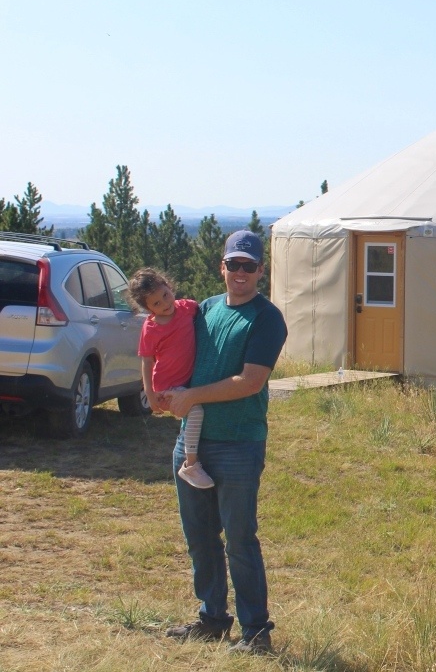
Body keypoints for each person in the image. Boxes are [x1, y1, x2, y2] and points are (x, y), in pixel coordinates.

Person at [162, 230, 288, 655]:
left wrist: (192, 396)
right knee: (199, 535)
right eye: (233, 264)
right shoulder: (207, 309)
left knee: (239, 539)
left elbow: (250, 382)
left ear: (261, 272)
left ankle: (256, 633)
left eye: (248, 266)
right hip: (192, 441)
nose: (240, 273)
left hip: (237, 443)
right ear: (222, 266)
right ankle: (212, 618)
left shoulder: (267, 319)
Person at [127, 268, 214, 489]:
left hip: (188, 382)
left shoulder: (187, 308)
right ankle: (190, 465)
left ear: (169, 286)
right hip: (167, 386)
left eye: (165, 295)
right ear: (148, 309)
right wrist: (149, 394)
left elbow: (207, 314)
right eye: (156, 303)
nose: (165, 303)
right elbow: (147, 362)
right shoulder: (151, 328)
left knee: (196, 410)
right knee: (196, 411)